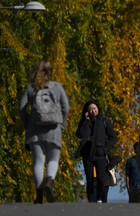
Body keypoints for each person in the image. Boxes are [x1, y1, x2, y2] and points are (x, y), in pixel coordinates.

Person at [19, 60, 69, 204]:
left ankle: (39, 194)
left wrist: (27, 124)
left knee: (38, 162)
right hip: (54, 129)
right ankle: (49, 181)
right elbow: (66, 107)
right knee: (53, 159)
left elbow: (21, 108)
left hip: (35, 130)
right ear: (50, 71)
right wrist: (62, 123)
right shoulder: (57, 87)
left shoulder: (30, 88)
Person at [75, 100, 117, 202]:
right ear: (87, 111)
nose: (93, 111)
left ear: (98, 109)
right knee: (89, 179)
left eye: (94, 108)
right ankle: (92, 201)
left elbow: (113, 137)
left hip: (100, 153)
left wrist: (105, 149)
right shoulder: (85, 121)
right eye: (90, 109)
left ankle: (99, 198)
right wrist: (85, 121)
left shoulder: (104, 121)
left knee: (101, 179)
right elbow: (79, 134)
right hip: (87, 153)